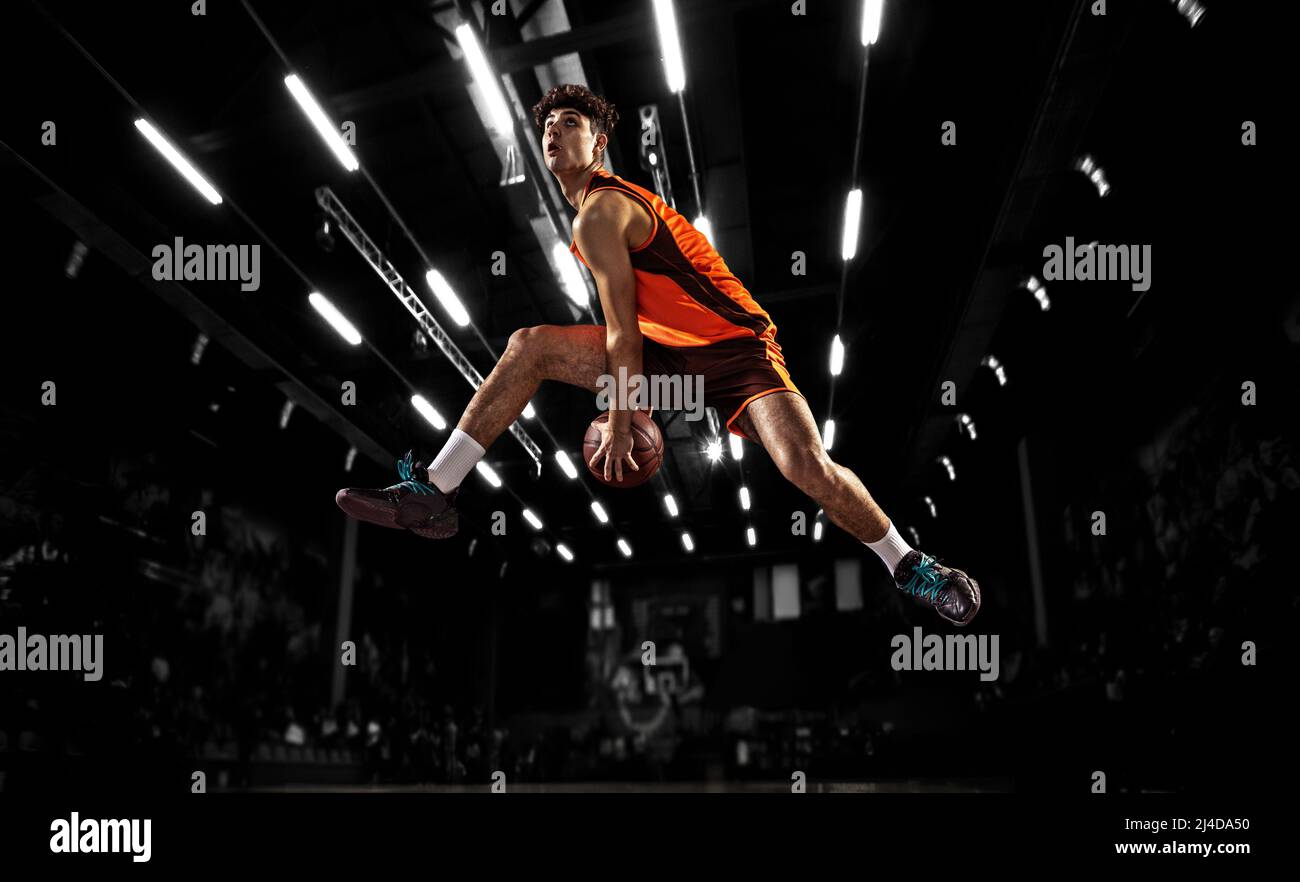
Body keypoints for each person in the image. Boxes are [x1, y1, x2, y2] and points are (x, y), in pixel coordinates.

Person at [336, 84, 979, 626]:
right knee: (529, 347)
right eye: (549, 126)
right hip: (670, 358)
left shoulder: (601, 211)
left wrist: (620, 419)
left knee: (804, 465)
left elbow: (621, 333)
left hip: (737, 354)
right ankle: (435, 490)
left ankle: (908, 563)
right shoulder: (588, 216)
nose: (555, 132)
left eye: (571, 123)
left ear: (599, 144)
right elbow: (630, 333)